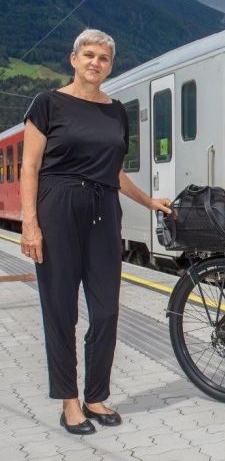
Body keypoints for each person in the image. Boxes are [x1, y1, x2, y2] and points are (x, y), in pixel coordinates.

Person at [20, 29, 171, 435]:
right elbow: (30, 167)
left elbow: (115, 172)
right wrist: (30, 225)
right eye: (88, 55)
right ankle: (69, 401)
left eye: (103, 58)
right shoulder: (47, 104)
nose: (95, 63)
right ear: (73, 59)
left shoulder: (116, 111)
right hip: (58, 207)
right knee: (61, 309)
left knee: (105, 310)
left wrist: (149, 201)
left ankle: (96, 395)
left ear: (110, 65)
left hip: (105, 210)